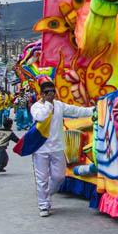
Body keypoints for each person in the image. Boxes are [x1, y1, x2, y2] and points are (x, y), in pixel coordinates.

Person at [29, 78, 94, 217]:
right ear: (41, 94)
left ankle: (46, 194)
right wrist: (48, 104)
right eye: (47, 92)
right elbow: (41, 117)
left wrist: (95, 109)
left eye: (53, 91)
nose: (51, 94)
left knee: (59, 177)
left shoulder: (59, 105)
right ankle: (43, 205)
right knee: (42, 178)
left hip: (57, 147)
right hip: (41, 149)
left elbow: (76, 111)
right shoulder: (36, 107)